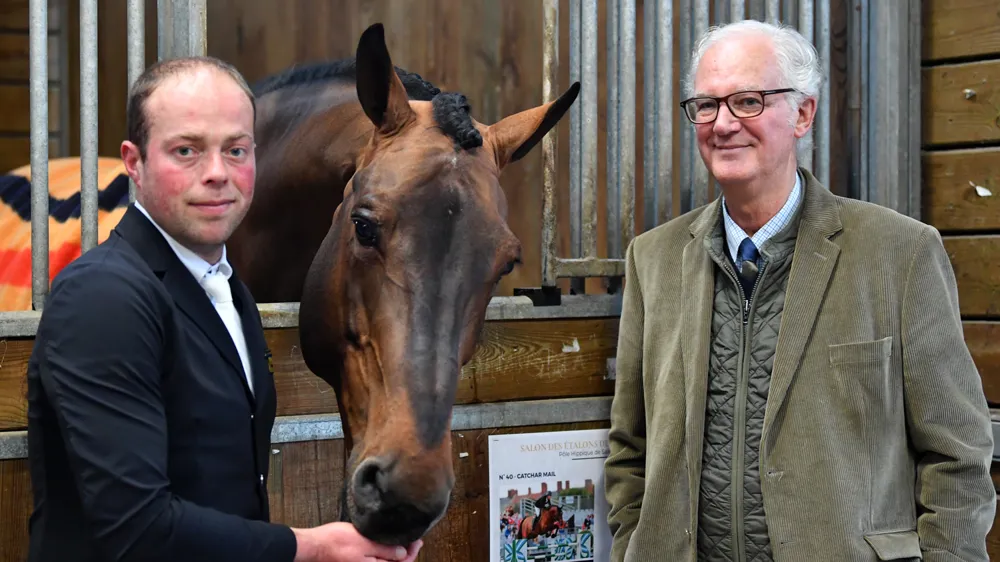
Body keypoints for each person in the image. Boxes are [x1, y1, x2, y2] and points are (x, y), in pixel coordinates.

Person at [603, 19, 995, 562]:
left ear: (803, 114)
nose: (723, 124)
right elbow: (630, 449)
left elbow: (957, 454)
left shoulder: (899, 254)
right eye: (707, 105)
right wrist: (634, 545)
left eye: (748, 101)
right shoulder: (654, 259)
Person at [25, 56, 422, 562]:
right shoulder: (102, 296)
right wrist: (312, 547)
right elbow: (135, 529)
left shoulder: (230, 291)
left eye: (236, 150)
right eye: (186, 150)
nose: (217, 173)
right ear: (134, 162)